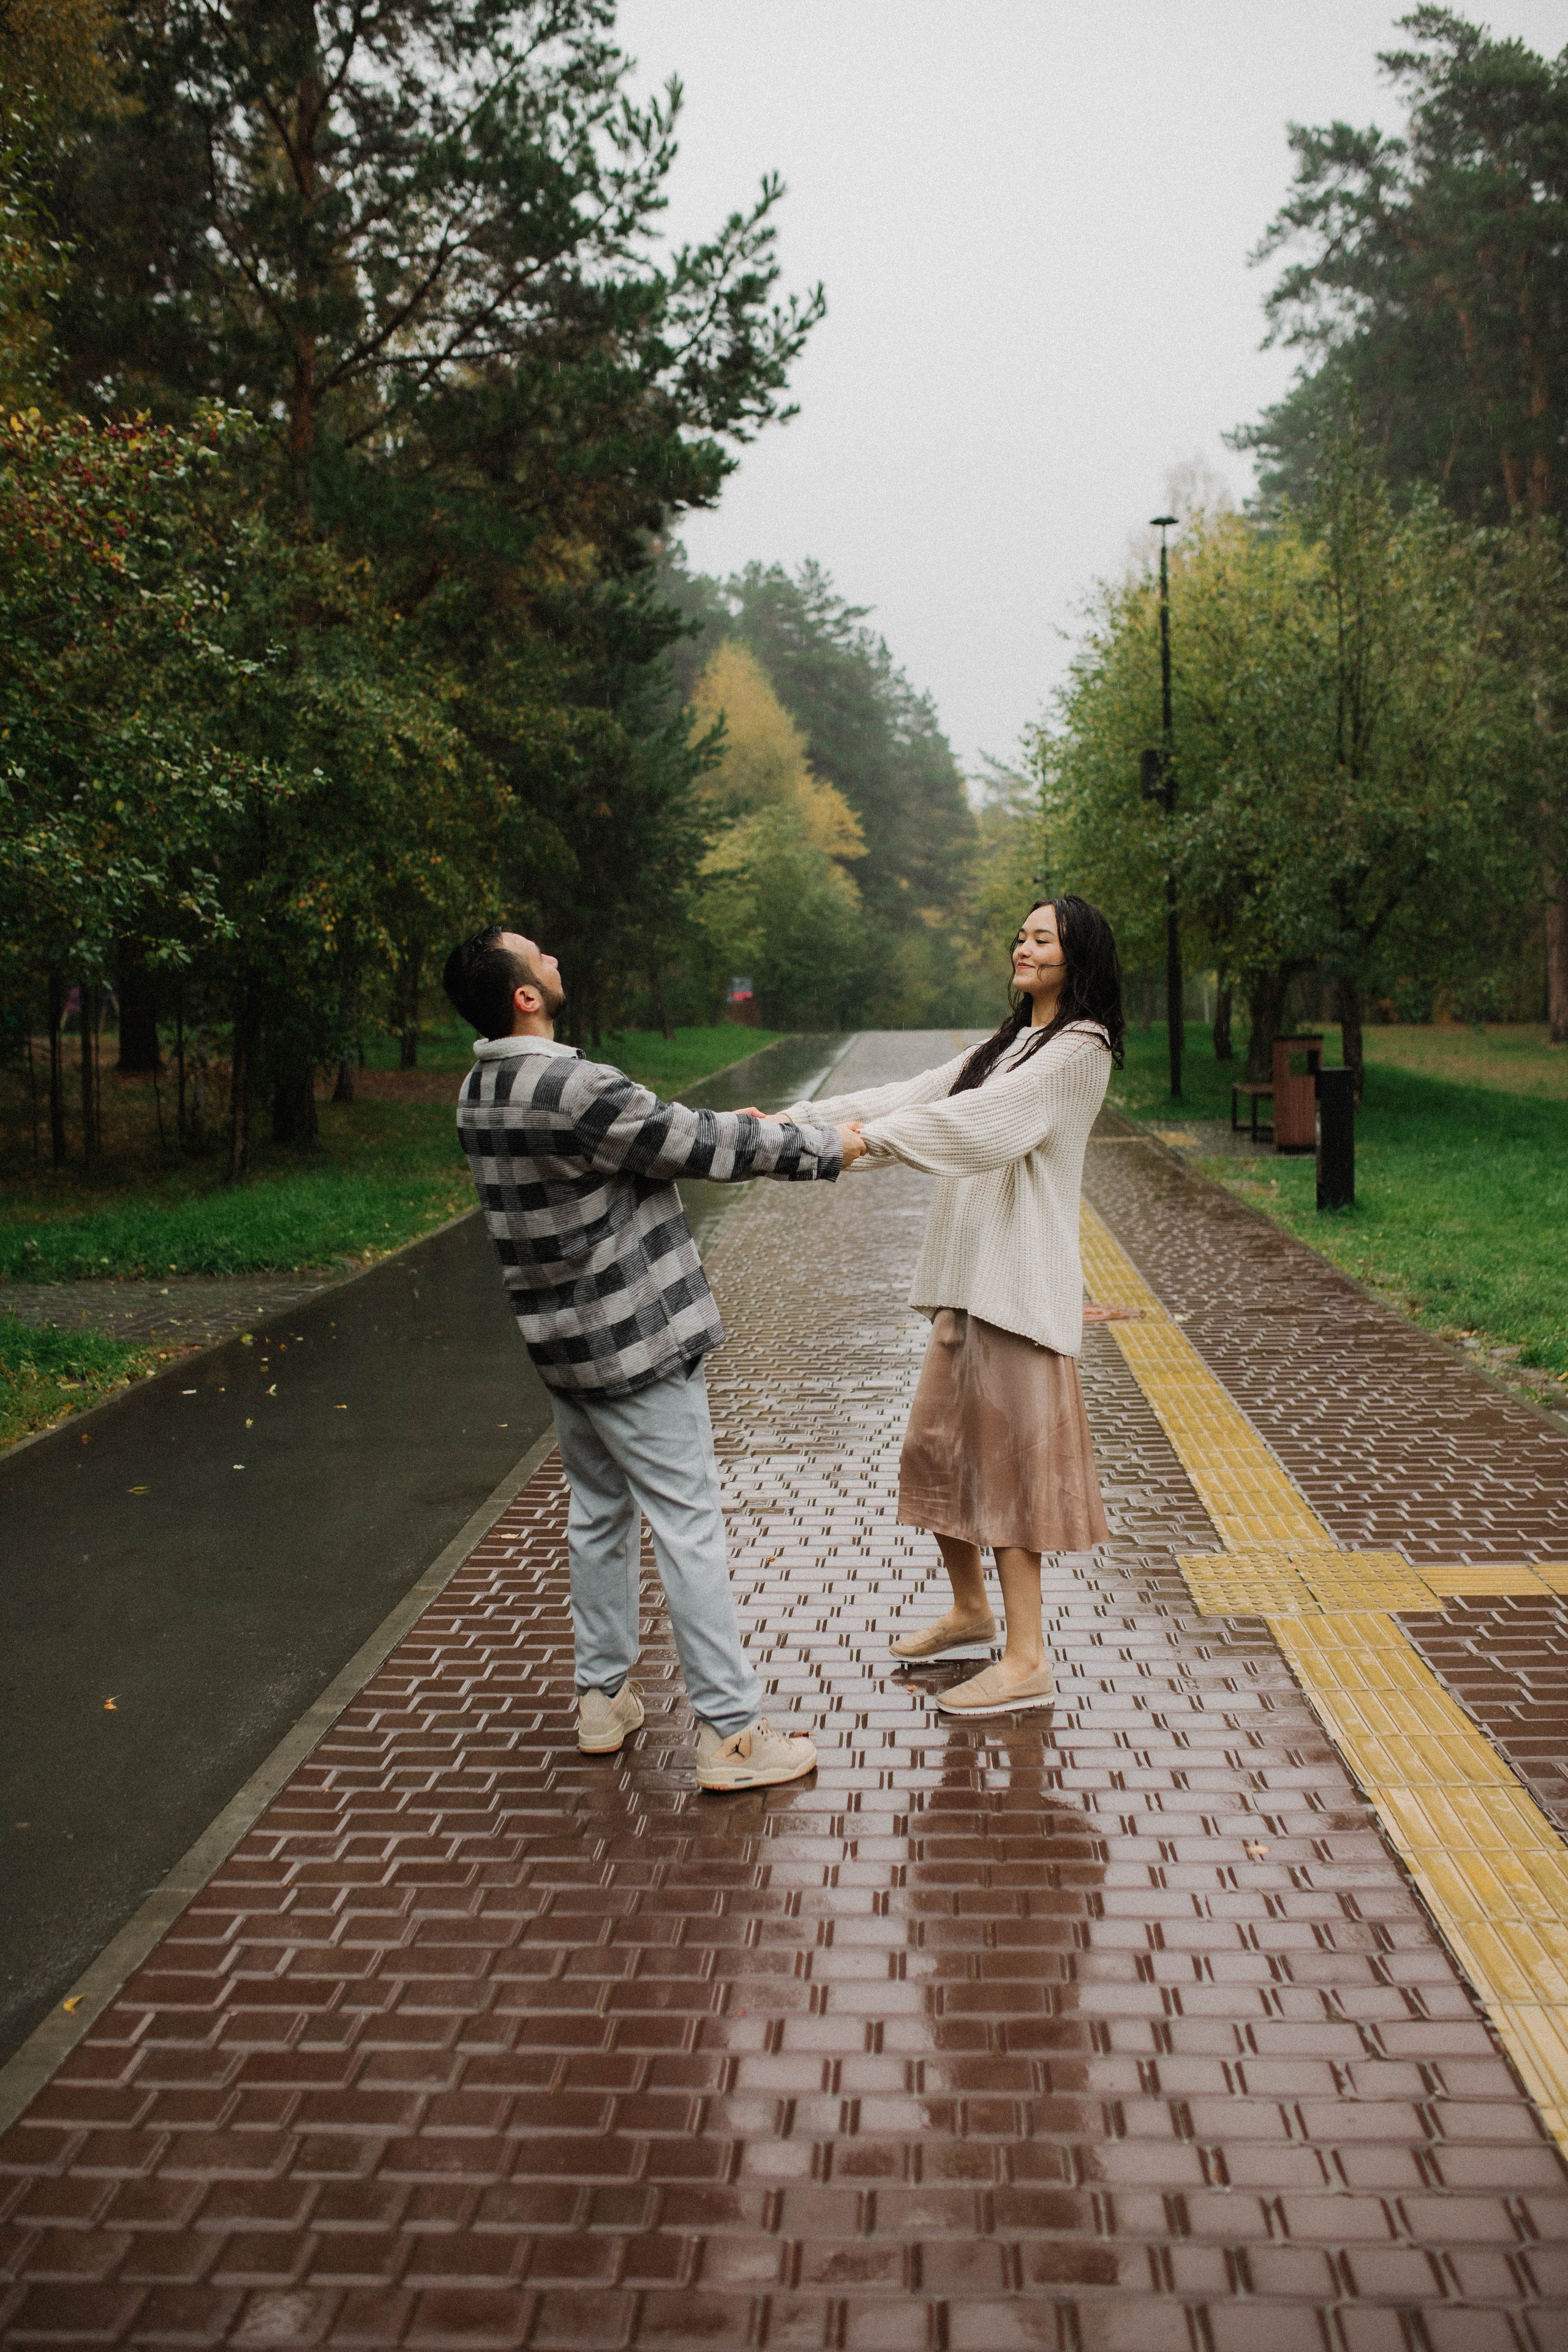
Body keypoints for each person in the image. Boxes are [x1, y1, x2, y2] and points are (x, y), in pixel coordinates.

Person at [442, 924, 867, 1789]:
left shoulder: (480, 1091)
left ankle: (601, 1701)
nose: (556, 958)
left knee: (599, 1518)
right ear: (525, 995)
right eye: (540, 957)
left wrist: (704, 1129)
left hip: (563, 1349)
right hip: (635, 1344)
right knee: (689, 1524)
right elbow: (693, 1146)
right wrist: (832, 1148)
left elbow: (643, 1143)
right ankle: (733, 1736)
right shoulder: (574, 1084)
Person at [775, 895, 1121, 1717]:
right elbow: (914, 1092)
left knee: (1007, 1480)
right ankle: (972, 1612)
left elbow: (982, 1124)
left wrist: (868, 1143)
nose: (1024, 946)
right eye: (1024, 934)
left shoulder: (1078, 1051)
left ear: (1079, 958)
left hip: (1016, 1289)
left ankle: (1027, 1658)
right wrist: (792, 1127)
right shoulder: (1012, 1043)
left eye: (1044, 938)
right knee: (936, 1455)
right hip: (969, 1287)